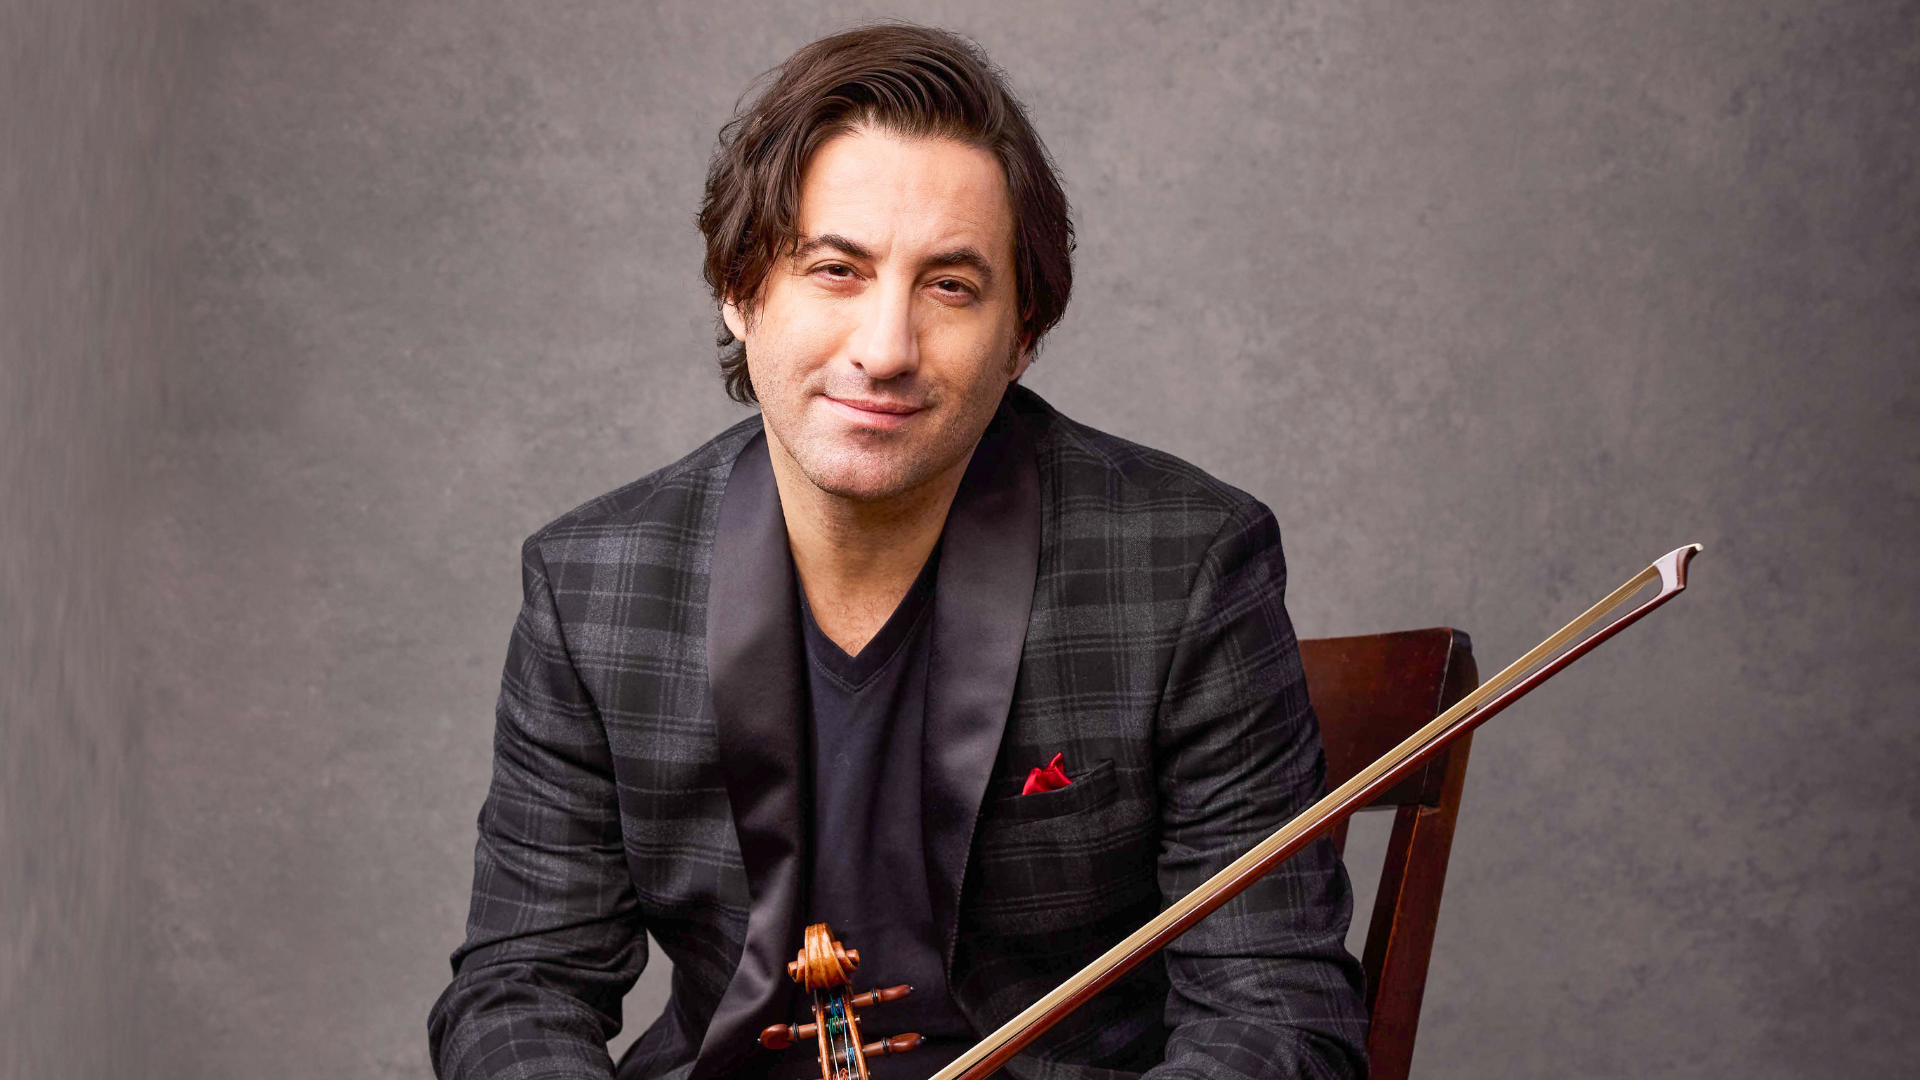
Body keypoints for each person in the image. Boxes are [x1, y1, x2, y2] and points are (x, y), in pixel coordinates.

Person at [429, 23, 1367, 1080]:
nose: (885, 349)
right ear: (739, 289)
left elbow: (1275, 1012)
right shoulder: (592, 588)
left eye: (950, 286)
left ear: (1023, 334)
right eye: (836, 270)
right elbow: (520, 991)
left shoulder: (1185, 567)